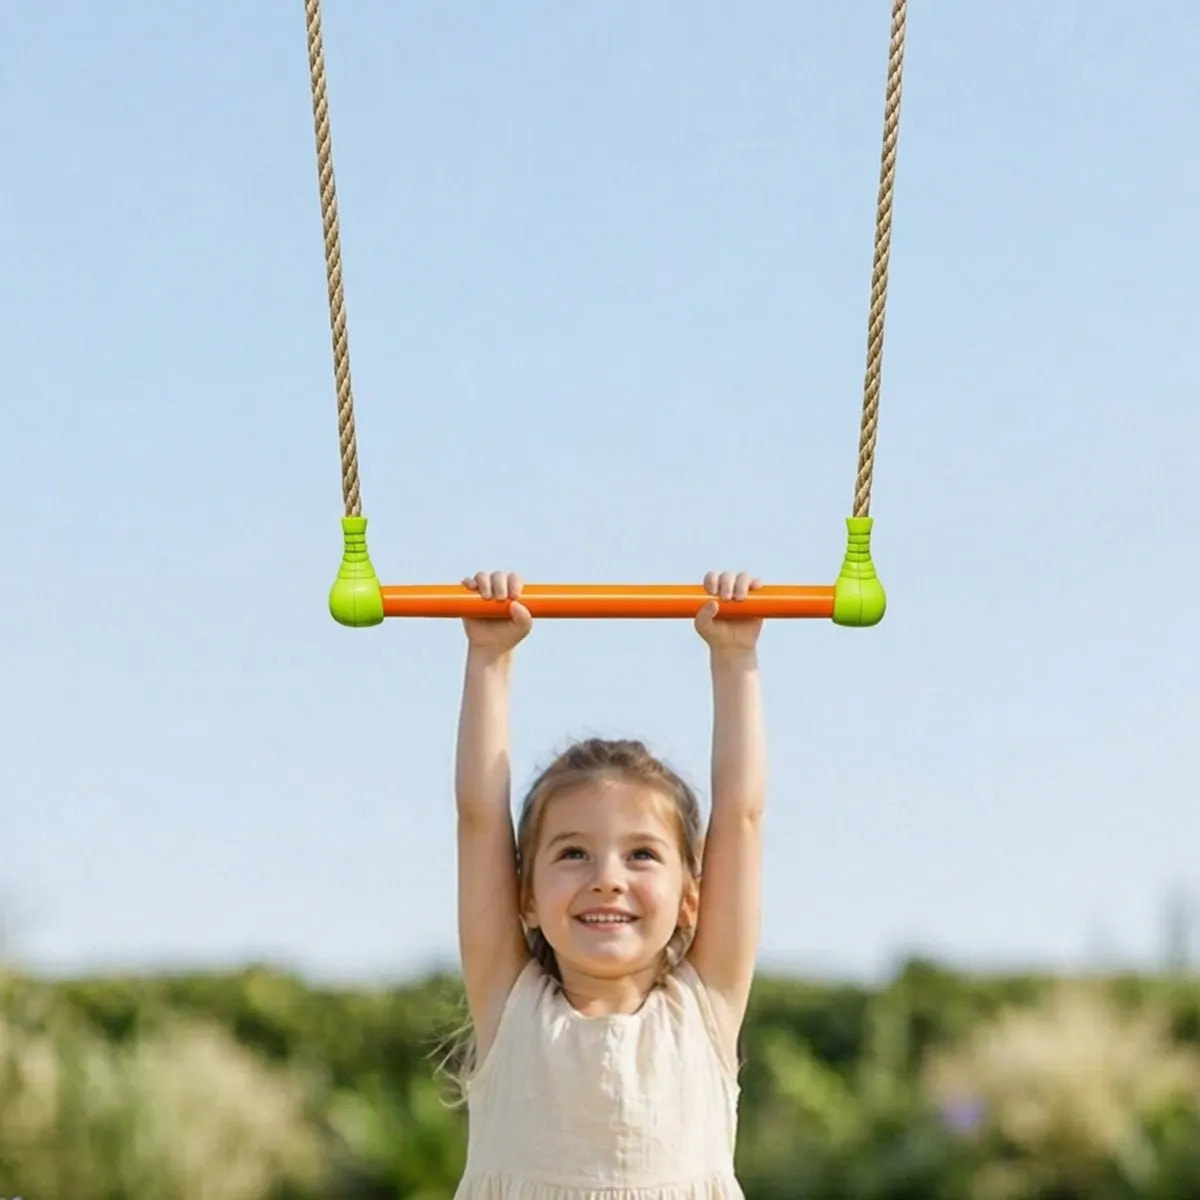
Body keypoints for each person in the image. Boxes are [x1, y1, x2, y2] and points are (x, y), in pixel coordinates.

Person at [452, 568, 766, 1200]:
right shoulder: (510, 1007)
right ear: (525, 895)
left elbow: (741, 817)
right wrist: (489, 658)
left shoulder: (703, 1009)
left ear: (690, 898)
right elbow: (480, 818)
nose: (607, 880)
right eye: (573, 853)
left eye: (642, 854)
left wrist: (735, 660)